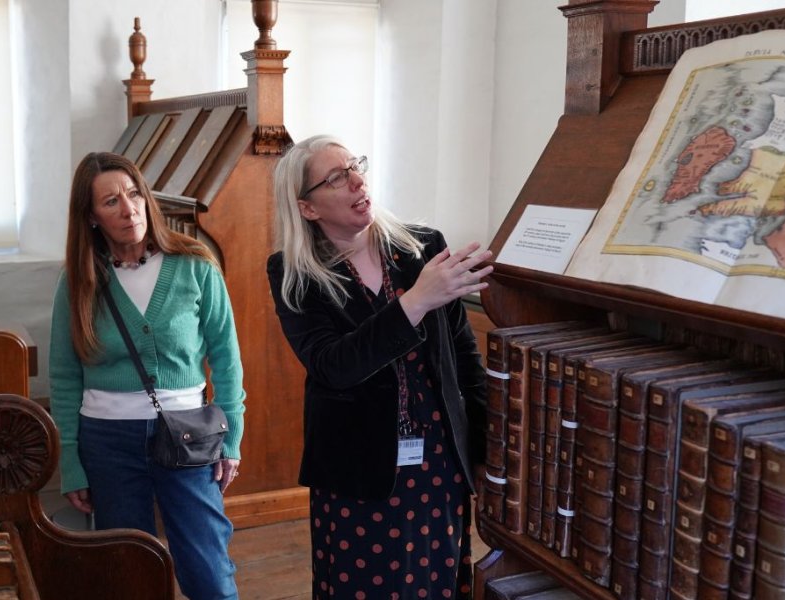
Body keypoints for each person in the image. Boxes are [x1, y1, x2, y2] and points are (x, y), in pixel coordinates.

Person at [266, 135, 491, 599]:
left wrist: (483, 454)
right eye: (335, 177)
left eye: (355, 166)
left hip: (437, 461)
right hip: (357, 471)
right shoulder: (293, 272)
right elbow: (332, 367)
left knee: (434, 584)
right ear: (308, 208)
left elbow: (466, 362)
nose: (356, 181)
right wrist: (413, 303)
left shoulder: (423, 248)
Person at [49, 152, 245, 599]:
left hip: (188, 437)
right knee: (128, 573)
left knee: (209, 569)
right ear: (91, 216)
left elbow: (227, 362)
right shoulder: (79, 280)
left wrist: (231, 439)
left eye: (134, 193)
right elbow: (63, 376)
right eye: (111, 201)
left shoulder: (195, 264)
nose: (129, 208)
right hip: (107, 441)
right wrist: (72, 463)